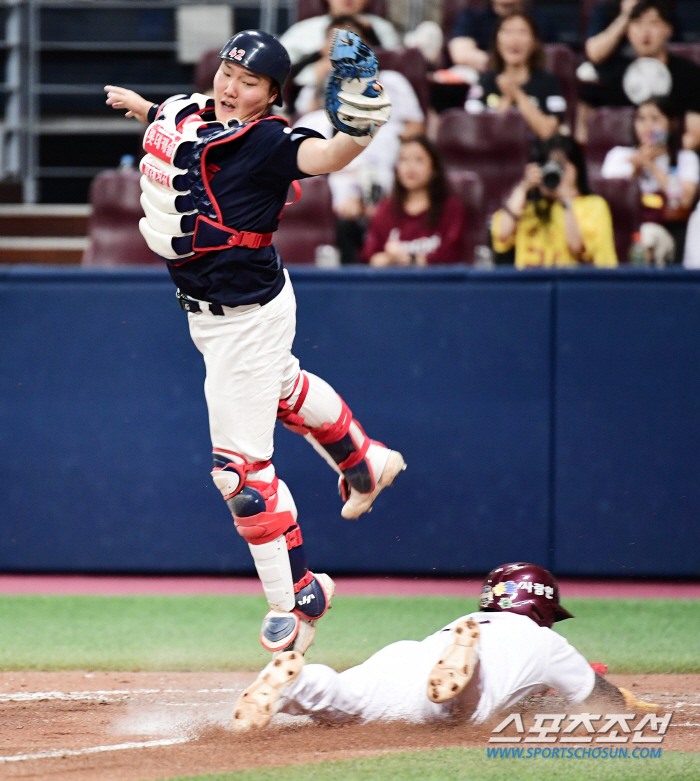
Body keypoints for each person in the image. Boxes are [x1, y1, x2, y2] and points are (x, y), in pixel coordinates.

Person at [104, 29, 405, 658]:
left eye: (248, 82)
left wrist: (360, 128)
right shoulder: (190, 111)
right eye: (227, 72)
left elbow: (325, 156)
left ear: (271, 95)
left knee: (237, 473)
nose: (230, 86)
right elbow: (173, 118)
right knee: (284, 389)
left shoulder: (268, 138)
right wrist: (141, 107)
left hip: (248, 313)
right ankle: (363, 462)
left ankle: (296, 598)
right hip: (211, 316)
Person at [232, 562, 658, 731]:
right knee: (459, 710)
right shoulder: (546, 641)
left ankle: (297, 683)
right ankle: (464, 673)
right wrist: (637, 705)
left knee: (343, 699)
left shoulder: (468, 621)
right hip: (457, 677)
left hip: (404, 657)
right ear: (543, 608)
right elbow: (601, 701)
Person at [294, 16, 425, 264]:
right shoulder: (312, 109)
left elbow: (417, 134)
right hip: (333, 198)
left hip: (388, 187)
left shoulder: (391, 84)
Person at [579, 0, 700, 152]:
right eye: (637, 23)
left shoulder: (688, 74)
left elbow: (695, 133)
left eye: (653, 23)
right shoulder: (616, 77)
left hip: (676, 160)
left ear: (668, 29)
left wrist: (655, 150)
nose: (645, 31)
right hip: (628, 158)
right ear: (628, 31)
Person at [492, 135, 618, 269]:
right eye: (548, 166)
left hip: (570, 284)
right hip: (530, 285)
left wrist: (565, 201)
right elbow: (502, 234)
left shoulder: (594, 205)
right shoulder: (528, 208)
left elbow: (577, 248)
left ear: (574, 170)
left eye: (560, 166)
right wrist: (524, 187)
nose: (554, 172)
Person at [602, 97, 699, 265]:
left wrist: (651, 164)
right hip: (623, 230)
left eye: (655, 119)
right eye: (641, 119)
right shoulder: (619, 156)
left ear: (670, 123)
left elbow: (684, 200)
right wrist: (637, 166)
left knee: (647, 235)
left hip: (669, 231)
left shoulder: (685, 158)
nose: (647, 126)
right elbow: (613, 200)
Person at [361, 136, 467, 266]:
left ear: (434, 169)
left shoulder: (451, 208)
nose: (410, 167)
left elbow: (452, 256)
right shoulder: (385, 209)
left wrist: (408, 259)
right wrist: (389, 258)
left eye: (419, 160)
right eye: (404, 160)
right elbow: (370, 257)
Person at [465, 12, 566, 140]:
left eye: (522, 32)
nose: (514, 40)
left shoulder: (548, 82)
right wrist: (507, 98)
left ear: (534, 42)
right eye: (507, 32)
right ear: (497, 40)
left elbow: (547, 132)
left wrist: (517, 94)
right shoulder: (484, 82)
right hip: (490, 156)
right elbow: (483, 134)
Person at [280, 0, 400, 92]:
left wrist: (371, 35)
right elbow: (281, 69)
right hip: (311, 94)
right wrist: (318, 59)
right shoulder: (303, 29)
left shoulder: (381, 28)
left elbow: (395, 66)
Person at [448, 0, 556, 76]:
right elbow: (461, 54)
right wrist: (503, 65)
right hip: (484, 72)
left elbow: (553, 57)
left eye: (521, 31)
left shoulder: (541, 20)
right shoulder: (473, 15)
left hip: (530, 75)